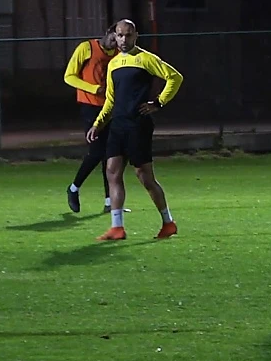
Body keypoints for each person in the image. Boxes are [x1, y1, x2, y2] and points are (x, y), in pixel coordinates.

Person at [86, 19, 184, 241]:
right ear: (114, 36)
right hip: (118, 125)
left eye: (128, 35)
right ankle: (117, 227)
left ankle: (168, 223)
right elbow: (111, 99)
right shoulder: (113, 64)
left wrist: (158, 103)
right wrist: (98, 123)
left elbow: (175, 77)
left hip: (138, 124)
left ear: (135, 36)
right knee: (112, 171)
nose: (123, 40)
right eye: (119, 35)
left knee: (145, 177)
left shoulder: (145, 59)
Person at [63, 24, 118, 214]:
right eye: (114, 37)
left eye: (119, 39)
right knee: (96, 152)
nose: (115, 42)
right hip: (90, 107)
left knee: (110, 155)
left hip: (110, 107)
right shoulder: (86, 48)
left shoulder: (119, 53)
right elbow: (69, 76)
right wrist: (93, 89)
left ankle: (110, 201)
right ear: (107, 33)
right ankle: (73, 188)